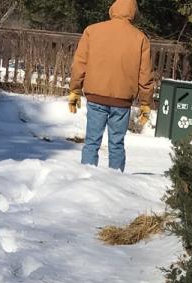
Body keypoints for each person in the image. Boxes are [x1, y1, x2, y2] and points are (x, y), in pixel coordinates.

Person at [68, 0, 153, 172]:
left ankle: (85, 181)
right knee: (116, 144)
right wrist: (145, 103)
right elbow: (145, 75)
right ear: (133, 13)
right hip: (122, 101)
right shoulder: (140, 39)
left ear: (112, 9)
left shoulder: (92, 31)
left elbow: (79, 63)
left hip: (96, 96)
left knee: (92, 142)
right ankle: (115, 184)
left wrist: (75, 90)